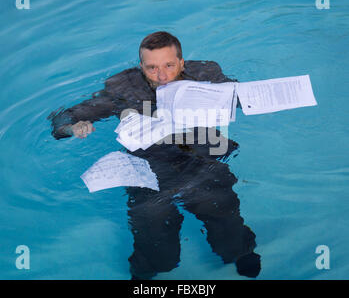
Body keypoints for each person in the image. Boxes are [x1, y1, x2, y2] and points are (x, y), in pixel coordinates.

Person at [49, 31, 261, 279]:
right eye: (151, 68)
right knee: (156, 244)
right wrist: (73, 128)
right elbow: (62, 119)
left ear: (182, 63)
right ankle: (145, 271)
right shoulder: (123, 88)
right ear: (141, 67)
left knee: (224, 215)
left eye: (169, 66)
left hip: (199, 160)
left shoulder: (205, 75)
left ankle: (239, 252)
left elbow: (242, 97)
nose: (162, 76)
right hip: (147, 169)